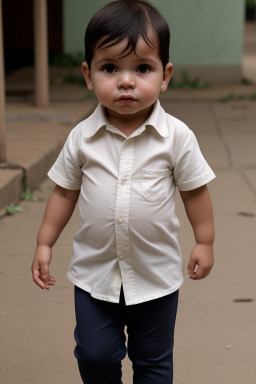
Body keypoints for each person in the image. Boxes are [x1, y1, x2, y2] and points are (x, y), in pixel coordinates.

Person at [31, 1, 216, 383]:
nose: (126, 81)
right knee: (95, 355)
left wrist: (205, 241)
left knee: (153, 362)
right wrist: (45, 243)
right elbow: (65, 192)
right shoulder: (82, 137)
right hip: (95, 275)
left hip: (155, 276)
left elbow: (194, 191)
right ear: (88, 73)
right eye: (110, 68)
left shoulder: (177, 137)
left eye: (142, 68)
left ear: (165, 76)